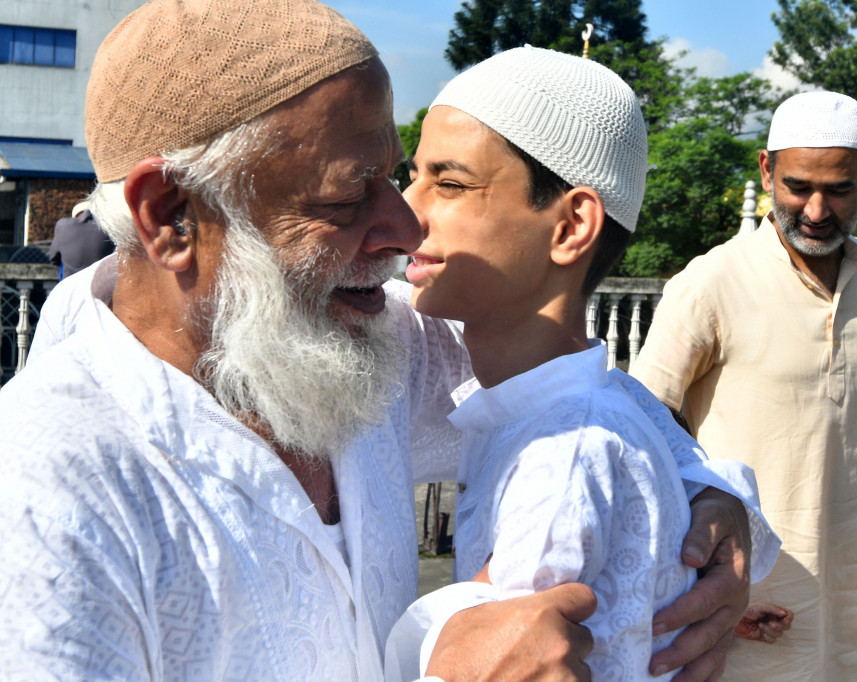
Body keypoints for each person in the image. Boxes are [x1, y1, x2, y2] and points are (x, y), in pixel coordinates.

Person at [0, 1, 769, 679]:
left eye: (399, 176)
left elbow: (572, 391)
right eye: (346, 195)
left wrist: (714, 501)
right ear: (171, 216)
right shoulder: (46, 492)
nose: (404, 226)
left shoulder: (359, 339)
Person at [383, 47, 778, 681]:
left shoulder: (562, 455)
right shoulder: (538, 407)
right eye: (414, 176)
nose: (405, 210)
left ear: (570, 226)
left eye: (450, 183)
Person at [630, 91, 857, 680]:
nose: (817, 210)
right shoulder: (712, 281)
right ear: (766, 170)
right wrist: (697, 582)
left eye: (840, 190)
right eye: (799, 187)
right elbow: (641, 432)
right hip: (756, 610)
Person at [48, 201, 115, 279]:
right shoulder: (110, 227)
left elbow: (53, 258)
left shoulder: (62, 226)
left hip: (71, 285)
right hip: (101, 285)